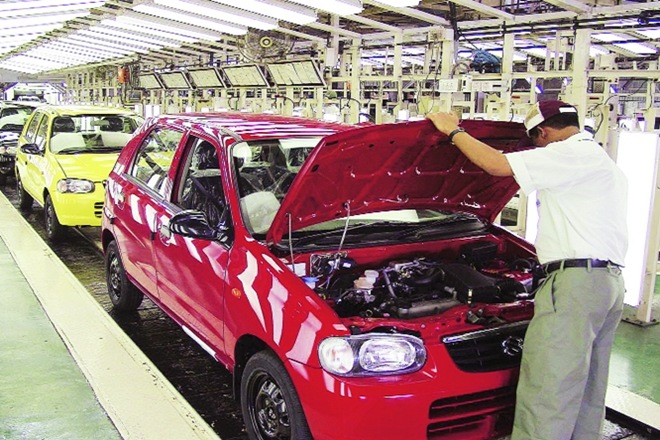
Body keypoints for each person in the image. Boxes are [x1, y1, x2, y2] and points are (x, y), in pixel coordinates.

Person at [427, 100, 628, 440]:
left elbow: (495, 165)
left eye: (533, 140)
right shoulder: (597, 158)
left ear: (544, 132)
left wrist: (452, 130)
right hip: (606, 283)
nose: (534, 148)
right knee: (586, 389)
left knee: (548, 389)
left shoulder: (566, 154)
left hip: (576, 284)